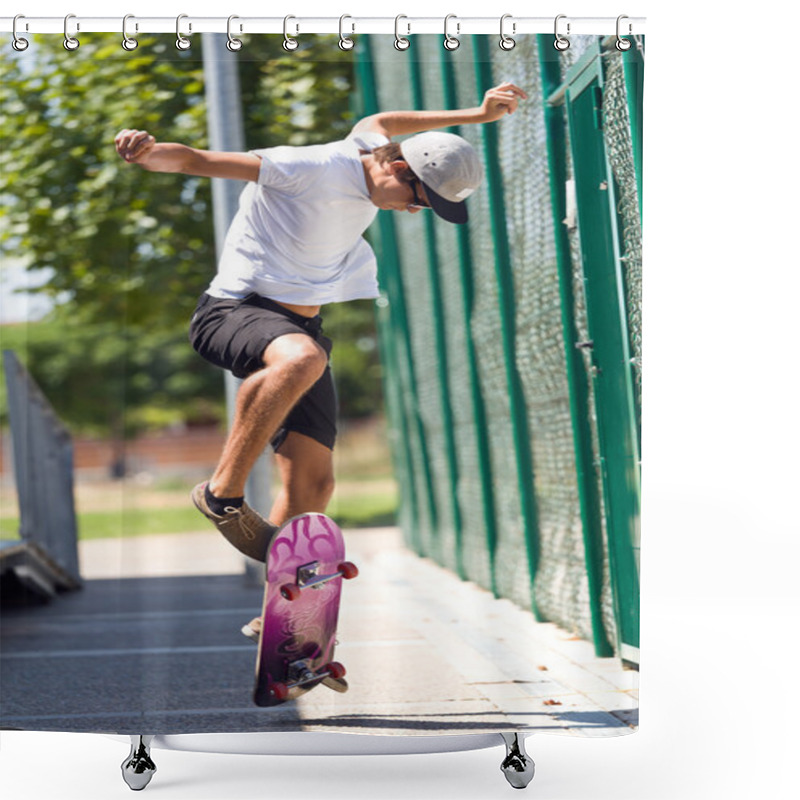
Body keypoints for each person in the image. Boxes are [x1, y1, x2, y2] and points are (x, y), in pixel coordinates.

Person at [115, 80, 526, 649]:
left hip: (298, 329)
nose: (412, 212)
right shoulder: (307, 166)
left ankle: (285, 621)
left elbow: (386, 115)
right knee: (300, 356)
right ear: (399, 170)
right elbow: (199, 160)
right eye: (417, 200)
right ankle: (221, 494)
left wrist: (477, 115)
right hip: (232, 312)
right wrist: (147, 153)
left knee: (314, 482)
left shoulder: (373, 144)